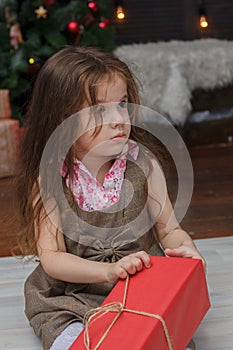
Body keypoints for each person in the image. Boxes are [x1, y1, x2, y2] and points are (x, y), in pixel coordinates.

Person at [16, 46, 204, 350]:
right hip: (76, 294)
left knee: (166, 336)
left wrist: (186, 251)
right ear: (62, 118)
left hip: (141, 286)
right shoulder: (53, 179)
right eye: (100, 109)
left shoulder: (144, 165)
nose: (118, 119)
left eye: (122, 104)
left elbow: (169, 230)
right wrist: (106, 271)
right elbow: (52, 258)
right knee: (72, 337)